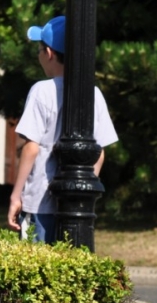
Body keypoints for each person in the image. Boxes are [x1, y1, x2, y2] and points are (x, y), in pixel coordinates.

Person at [7, 15, 119, 243]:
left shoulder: (41, 91)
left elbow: (31, 148)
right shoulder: (94, 93)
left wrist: (16, 196)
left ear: (49, 53)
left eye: (39, 49)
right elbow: (99, 152)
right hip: (75, 205)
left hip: (39, 201)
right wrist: (82, 193)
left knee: (35, 262)